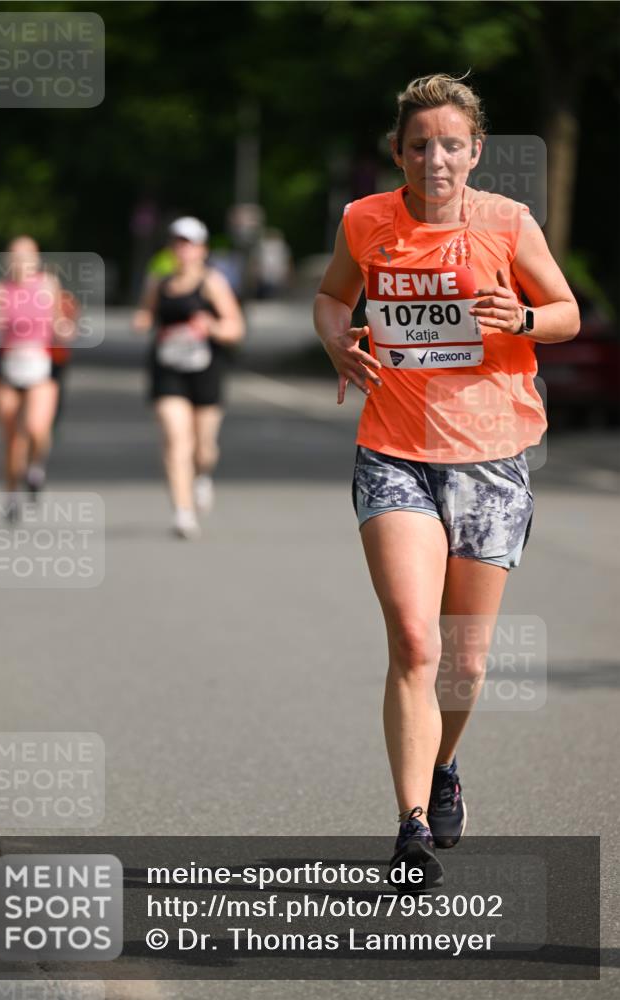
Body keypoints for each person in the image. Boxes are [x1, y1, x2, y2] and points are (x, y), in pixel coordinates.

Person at [313, 73, 579, 886]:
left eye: (451, 145)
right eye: (419, 145)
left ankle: (443, 767)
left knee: (464, 661)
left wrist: (524, 319)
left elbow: (566, 310)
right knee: (415, 639)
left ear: (474, 153)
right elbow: (332, 299)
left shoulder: (506, 222)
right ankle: (410, 828)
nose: (435, 159)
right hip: (394, 453)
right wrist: (339, 343)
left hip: (492, 460)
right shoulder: (366, 220)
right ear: (397, 152)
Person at [134, 216, 245, 538]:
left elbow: (236, 328)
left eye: (189, 243)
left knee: (203, 448)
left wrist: (210, 326)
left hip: (205, 369)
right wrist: (141, 321)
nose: (182, 250)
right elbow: (145, 312)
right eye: (177, 243)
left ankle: (202, 477)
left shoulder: (212, 283)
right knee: (175, 439)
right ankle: (183, 513)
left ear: (201, 249)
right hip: (167, 367)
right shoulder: (159, 282)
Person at [0, 236, 74, 517]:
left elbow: (60, 322)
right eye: (15, 256)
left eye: (27, 256)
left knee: (36, 428)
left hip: (40, 365)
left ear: (37, 260)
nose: (21, 262)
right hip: (7, 366)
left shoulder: (48, 286)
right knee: (11, 437)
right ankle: (11, 495)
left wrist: (65, 329)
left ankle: (35, 468)